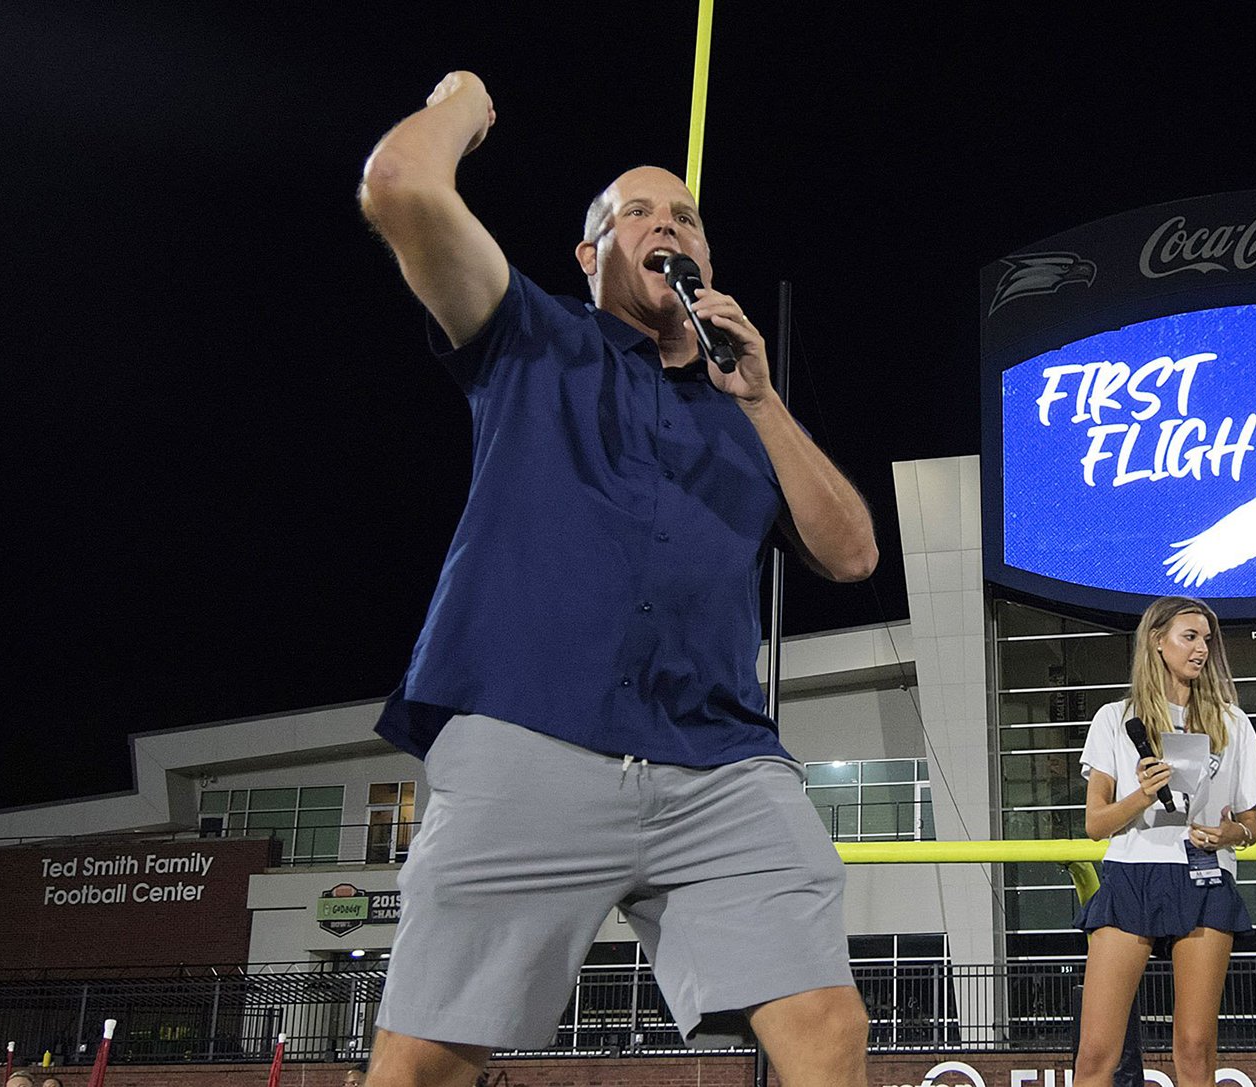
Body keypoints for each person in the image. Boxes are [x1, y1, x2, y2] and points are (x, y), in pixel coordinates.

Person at [356, 71, 878, 1087]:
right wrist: (465, 101)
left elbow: (852, 553)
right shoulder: (528, 336)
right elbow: (399, 187)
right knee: (424, 1059)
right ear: (591, 255)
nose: (665, 221)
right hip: (529, 728)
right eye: (634, 211)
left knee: (826, 1024)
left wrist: (763, 401)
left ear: (705, 261)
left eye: (684, 214)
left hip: (717, 756)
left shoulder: (743, 406)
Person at [1072, 596, 1256, 1087]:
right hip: (1132, 875)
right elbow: (1096, 824)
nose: (1201, 648)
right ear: (1157, 641)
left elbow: (1253, 824)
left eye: (1206, 639)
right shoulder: (1114, 719)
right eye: (1189, 636)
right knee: (1097, 1051)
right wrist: (1143, 793)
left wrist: (1231, 834)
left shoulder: (1233, 723)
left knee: (1196, 1049)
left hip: (1204, 875)